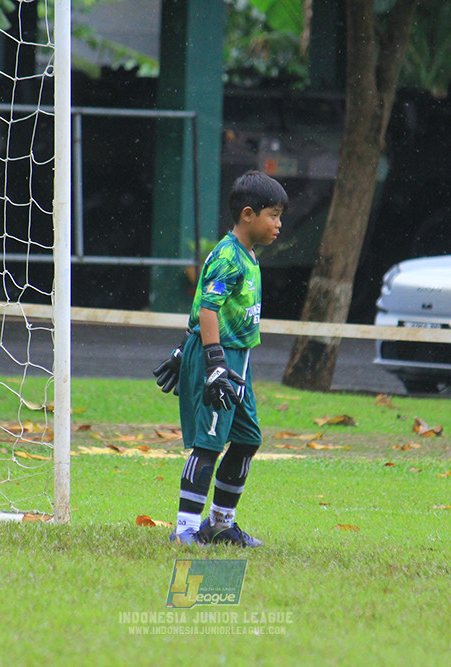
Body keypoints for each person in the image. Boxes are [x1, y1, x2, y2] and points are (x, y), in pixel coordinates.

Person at [153, 170, 287, 547]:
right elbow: (208, 310)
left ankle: (221, 524)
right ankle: (185, 530)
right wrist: (212, 363)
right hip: (220, 360)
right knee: (209, 443)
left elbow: (201, 306)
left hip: (236, 362)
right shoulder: (229, 256)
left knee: (246, 439)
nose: (278, 224)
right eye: (273, 215)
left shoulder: (246, 255)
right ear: (248, 214)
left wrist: (185, 348)